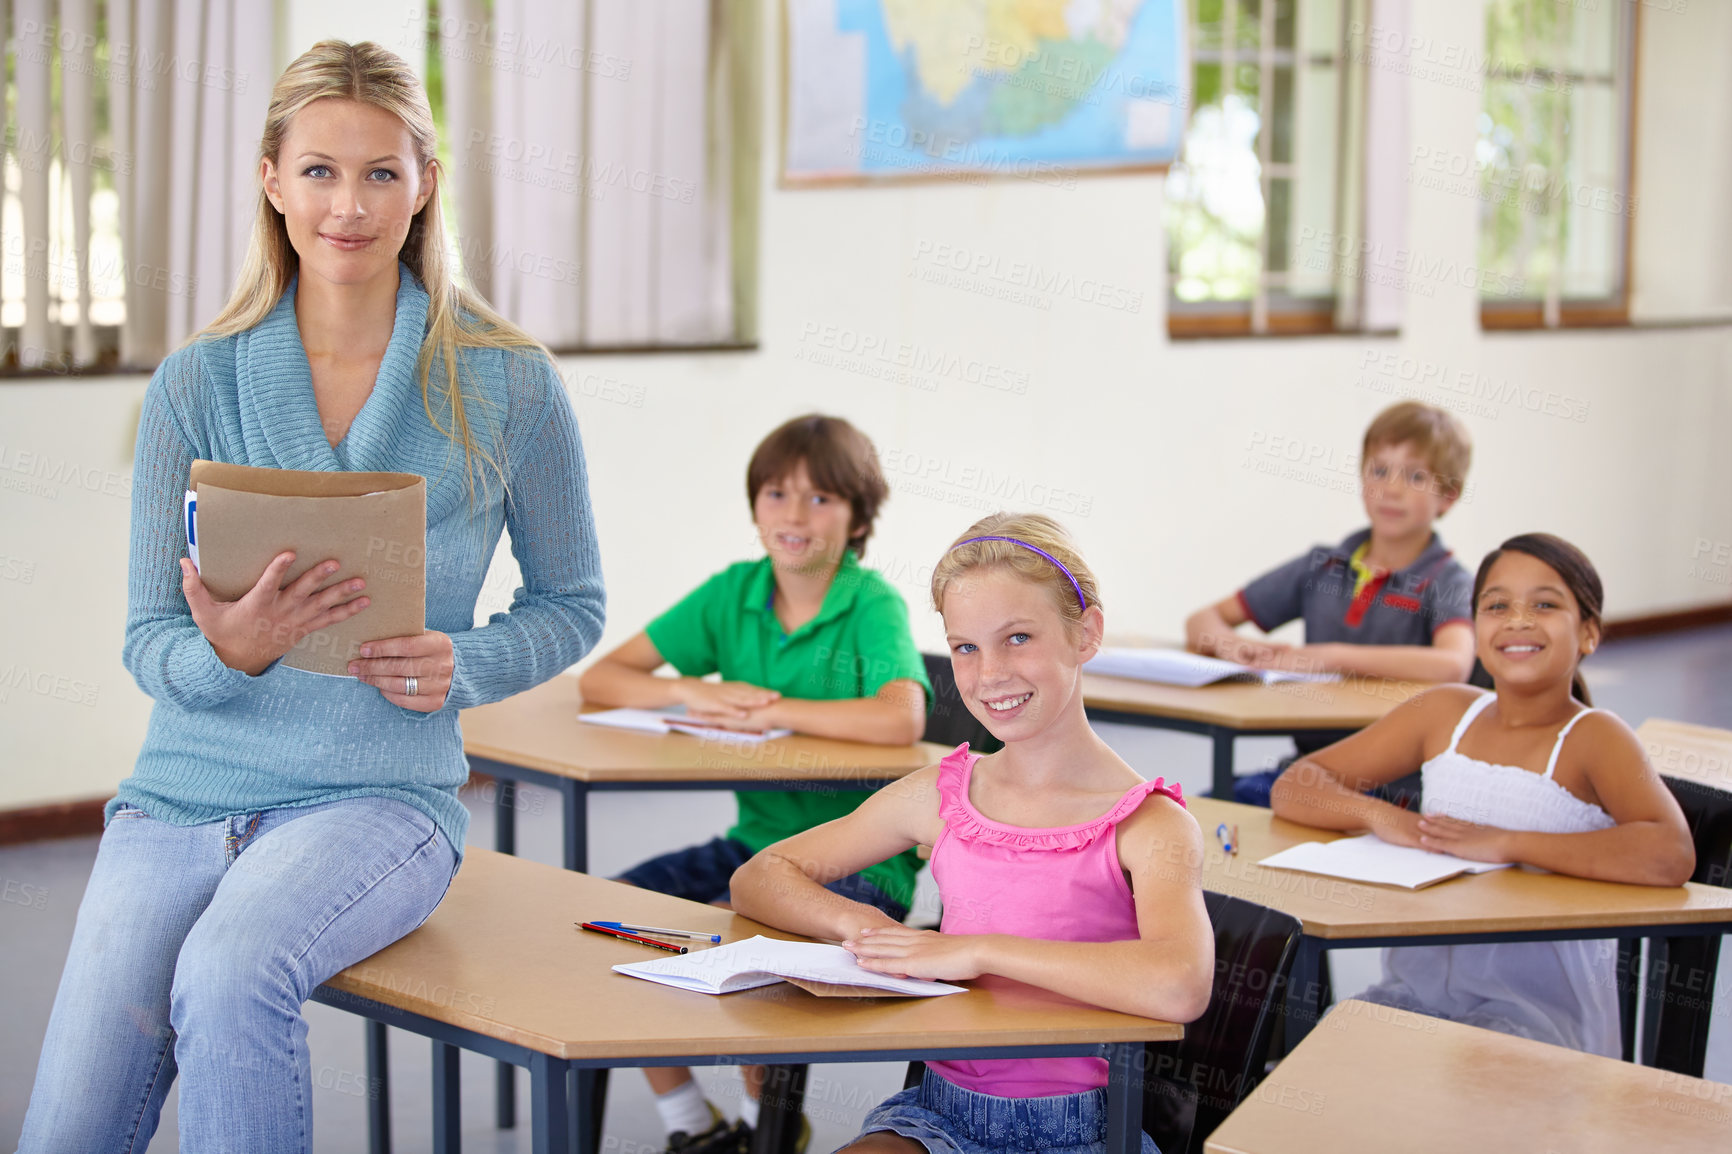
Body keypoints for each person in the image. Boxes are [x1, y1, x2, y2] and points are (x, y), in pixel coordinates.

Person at [17, 40, 604, 1152]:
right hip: (183, 791)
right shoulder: (198, 379)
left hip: (379, 794)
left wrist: (461, 663)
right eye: (322, 171)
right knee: (68, 1122)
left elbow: (571, 600)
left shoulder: (509, 380)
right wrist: (228, 650)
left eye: (382, 172)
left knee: (233, 972)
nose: (350, 204)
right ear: (271, 179)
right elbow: (149, 637)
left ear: (424, 185)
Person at [731, 512, 1213, 1154]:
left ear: (1086, 632)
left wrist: (980, 950)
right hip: (938, 1117)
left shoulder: (1150, 824)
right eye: (966, 647)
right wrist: (874, 933)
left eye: (1018, 638)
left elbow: (1180, 983)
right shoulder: (945, 793)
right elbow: (759, 876)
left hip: (1087, 1135)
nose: (989, 675)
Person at [579, 413, 930, 1152]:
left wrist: (770, 706)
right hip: (752, 845)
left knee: (737, 952)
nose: (794, 516)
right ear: (754, 507)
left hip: (858, 866)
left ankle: (763, 1127)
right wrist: (690, 693)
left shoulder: (872, 604)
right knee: (602, 921)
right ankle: (693, 1127)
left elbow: (901, 718)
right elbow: (604, 678)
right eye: (776, 495)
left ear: (859, 516)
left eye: (821, 499)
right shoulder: (733, 593)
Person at [1271, 533, 1694, 1054]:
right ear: (1475, 629)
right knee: (1330, 1073)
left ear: (1588, 634)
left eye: (1545, 604)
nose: (1518, 619)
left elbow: (1669, 853)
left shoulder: (1595, 736)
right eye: (1497, 606)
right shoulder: (1445, 711)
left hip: (1538, 1016)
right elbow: (1296, 784)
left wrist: (1507, 843)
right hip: (1418, 996)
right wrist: (1382, 816)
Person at [1184, 401, 1480, 804]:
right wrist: (1232, 645)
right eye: (1379, 471)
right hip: (1309, 769)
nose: (1391, 488)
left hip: (1399, 786)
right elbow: (1203, 619)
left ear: (1448, 496)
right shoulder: (1323, 566)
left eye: (1415, 476)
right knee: (1203, 810)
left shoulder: (1449, 580)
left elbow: (1453, 664)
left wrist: (1330, 656)